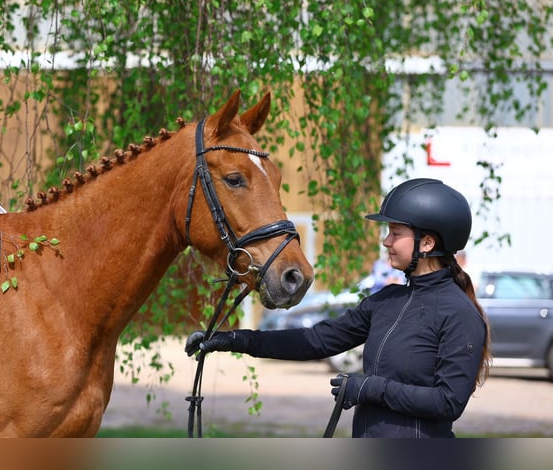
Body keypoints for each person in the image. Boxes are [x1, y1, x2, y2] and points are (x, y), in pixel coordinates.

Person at [185, 178, 491, 438]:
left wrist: (371, 389)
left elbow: (448, 402)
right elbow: (316, 341)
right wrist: (234, 340)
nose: (386, 242)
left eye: (395, 234)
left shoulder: (460, 316)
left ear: (427, 243)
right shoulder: (385, 301)